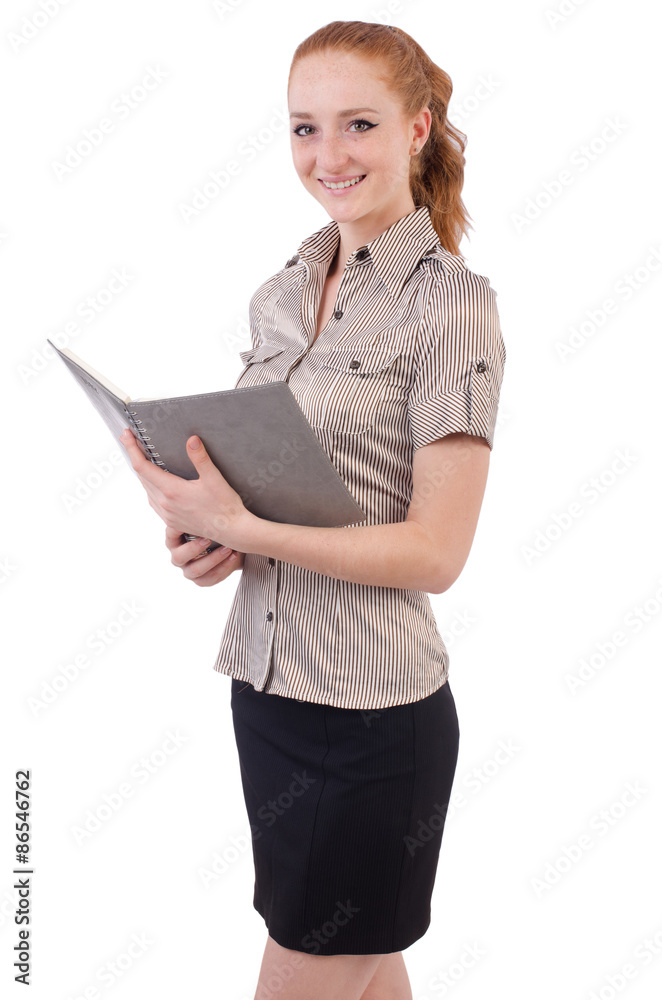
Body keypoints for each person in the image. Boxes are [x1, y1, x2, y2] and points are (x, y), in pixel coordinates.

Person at [120, 19, 506, 1000]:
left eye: (357, 124)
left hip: (371, 721)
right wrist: (215, 536)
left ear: (417, 130)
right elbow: (283, 486)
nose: (326, 156)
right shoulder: (280, 295)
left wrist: (250, 530)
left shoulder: (450, 304)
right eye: (303, 128)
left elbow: (435, 550)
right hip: (267, 690)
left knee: (307, 971)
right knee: (365, 974)